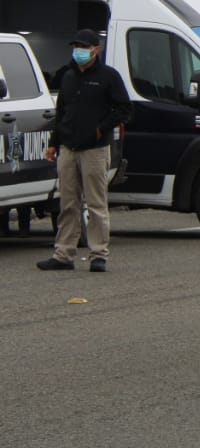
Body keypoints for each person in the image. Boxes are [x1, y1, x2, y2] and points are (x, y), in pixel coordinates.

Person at [37, 29, 132, 272]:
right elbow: (62, 113)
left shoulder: (108, 76)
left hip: (95, 149)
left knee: (96, 203)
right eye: (76, 45)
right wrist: (53, 143)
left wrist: (101, 129)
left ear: (95, 49)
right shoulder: (68, 76)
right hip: (68, 148)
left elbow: (124, 109)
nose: (78, 50)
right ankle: (63, 254)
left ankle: (98, 254)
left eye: (83, 46)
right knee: (68, 203)